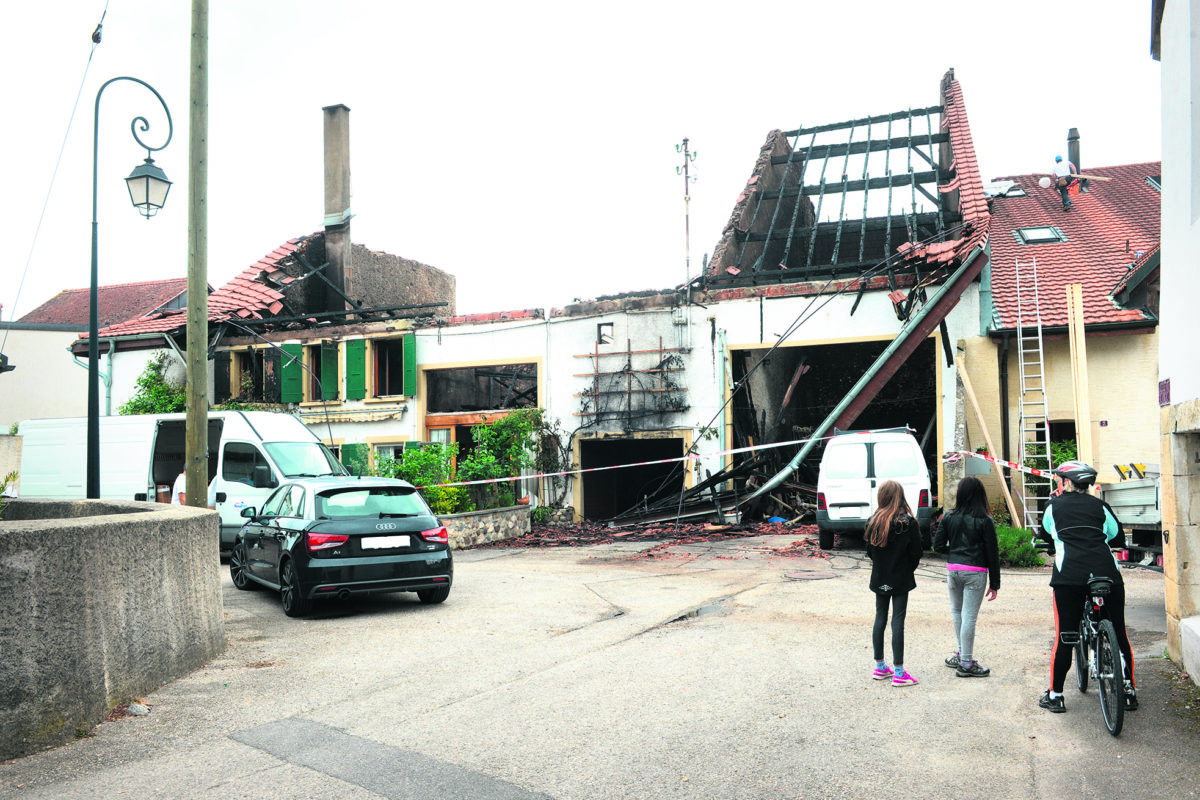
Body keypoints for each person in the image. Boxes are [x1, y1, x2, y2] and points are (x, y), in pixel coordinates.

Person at [1037, 461, 1137, 713]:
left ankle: (1056, 695)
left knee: (1065, 636)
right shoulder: (1101, 506)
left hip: (1069, 577)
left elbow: (1047, 535)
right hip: (1107, 574)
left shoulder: (1053, 506)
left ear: (1067, 483)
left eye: (1061, 480)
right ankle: (1128, 691)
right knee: (1119, 632)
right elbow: (1117, 537)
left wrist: (1053, 543)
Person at [933, 476, 1000, 678]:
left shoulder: (948, 517)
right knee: (969, 617)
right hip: (976, 571)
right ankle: (967, 663)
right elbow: (992, 553)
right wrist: (995, 583)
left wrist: (955, 553)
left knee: (957, 613)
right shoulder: (985, 520)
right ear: (981, 495)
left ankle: (962, 654)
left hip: (953, 569)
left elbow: (937, 546)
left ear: (960, 494)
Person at [865, 480, 924, 687]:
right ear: (900, 497)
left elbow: (870, 552)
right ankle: (899, 672)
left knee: (880, 617)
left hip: (880, 578)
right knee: (897, 621)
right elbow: (917, 553)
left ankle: (880, 667)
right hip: (900, 578)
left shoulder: (872, 521)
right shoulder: (908, 523)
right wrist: (907, 569)